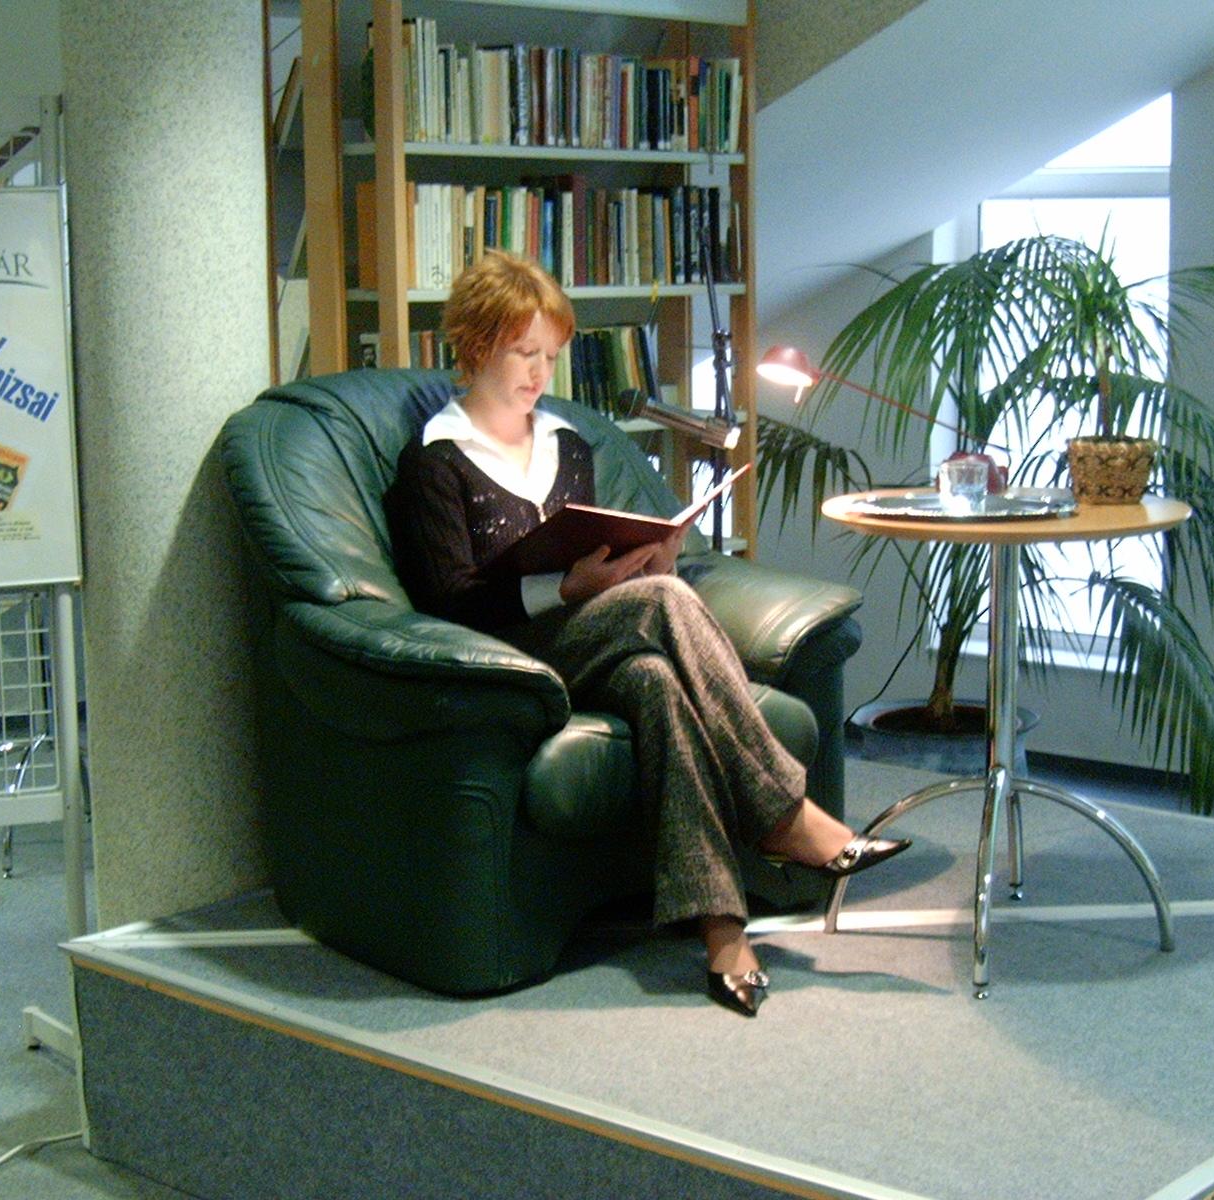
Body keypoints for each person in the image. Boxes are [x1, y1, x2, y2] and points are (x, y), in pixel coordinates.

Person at [383, 250, 908, 1017]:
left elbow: (594, 551)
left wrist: (642, 562)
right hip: (510, 659)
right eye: (523, 352)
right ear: (476, 345)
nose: (539, 372)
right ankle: (783, 815)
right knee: (662, 601)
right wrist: (566, 588)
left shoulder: (567, 443)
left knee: (658, 680)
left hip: (598, 638)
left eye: (550, 354)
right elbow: (448, 599)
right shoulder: (437, 459)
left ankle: (724, 934)